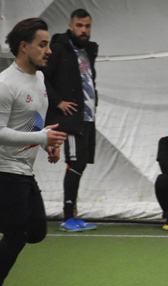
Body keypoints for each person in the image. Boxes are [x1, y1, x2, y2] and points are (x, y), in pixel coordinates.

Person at [0, 18, 67, 286]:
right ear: (24, 47)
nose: (48, 50)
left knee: (36, 231)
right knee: (17, 232)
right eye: (43, 44)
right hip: (4, 170)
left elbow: (29, 124)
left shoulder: (39, 79)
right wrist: (41, 136)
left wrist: (45, 141)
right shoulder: (5, 84)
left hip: (24, 171)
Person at [43, 9, 98, 232]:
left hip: (88, 117)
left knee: (81, 163)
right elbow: (43, 77)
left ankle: (73, 214)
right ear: (71, 26)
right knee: (75, 163)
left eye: (87, 26)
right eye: (79, 25)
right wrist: (58, 102)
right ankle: (68, 217)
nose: (83, 30)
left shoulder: (88, 50)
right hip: (71, 119)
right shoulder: (58, 48)